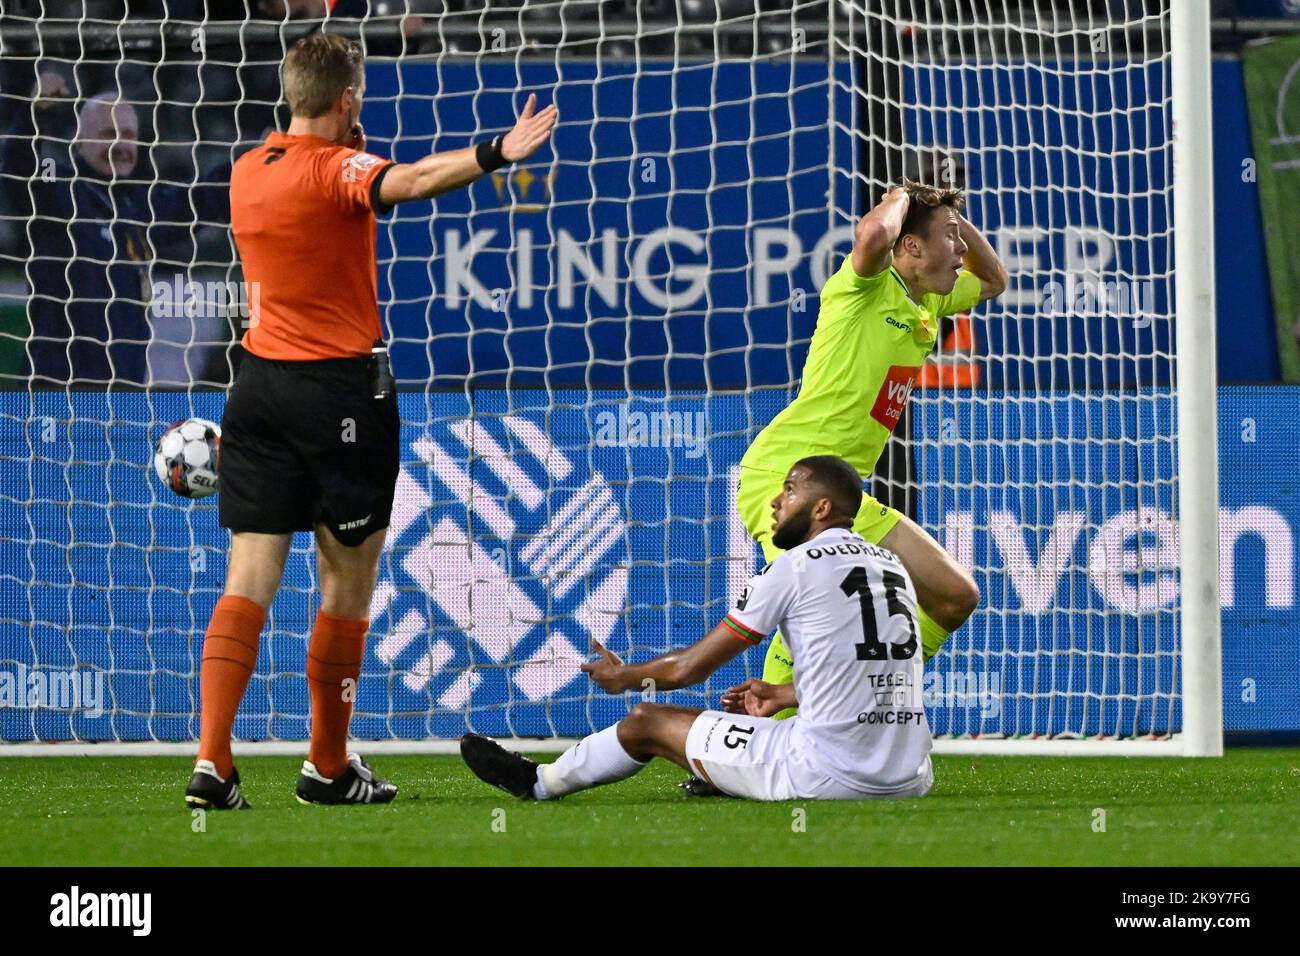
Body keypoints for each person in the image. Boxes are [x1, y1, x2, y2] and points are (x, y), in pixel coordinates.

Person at [184, 31, 557, 809]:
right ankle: (325, 765)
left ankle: (212, 765)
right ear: (349, 100)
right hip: (339, 399)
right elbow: (413, 180)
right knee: (346, 580)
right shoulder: (338, 172)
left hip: (254, 389)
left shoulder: (249, 169)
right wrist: (500, 151)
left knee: (248, 577)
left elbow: (320, 163)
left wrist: (338, 133)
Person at [460, 456, 935, 803]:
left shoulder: (795, 566)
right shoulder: (889, 564)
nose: (775, 501)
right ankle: (725, 778)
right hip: (910, 775)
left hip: (827, 774)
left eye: (790, 489)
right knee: (751, 724)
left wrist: (622, 677)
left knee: (646, 721)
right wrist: (786, 695)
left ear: (822, 508)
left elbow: (690, 668)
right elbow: (870, 672)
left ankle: (540, 783)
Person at [732, 180, 1008, 722]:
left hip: (845, 492)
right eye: (949, 239)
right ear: (909, 248)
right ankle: (759, 737)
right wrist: (906, 194)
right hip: (790, 477)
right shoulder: (864, 287)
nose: (960, 250)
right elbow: (872, 234)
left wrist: (950, 215)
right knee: (819, 604)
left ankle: (877, 691)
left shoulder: (927, 299)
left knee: (954, 596)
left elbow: (995, 279)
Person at [0, 75, 232, 386]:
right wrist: (36, 112)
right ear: (80, 142)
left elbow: (200, 199)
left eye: (128, 134)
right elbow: (20, 166)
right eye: (109, 134)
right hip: (56, 396)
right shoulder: (58, 190)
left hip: (122, 401)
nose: (121, 144)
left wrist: (254, 158)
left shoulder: (138, 208)